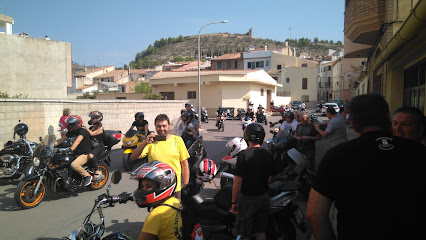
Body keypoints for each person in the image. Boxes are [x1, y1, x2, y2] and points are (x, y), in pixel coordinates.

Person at [306, 93, 426, 240]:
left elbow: (314, 214)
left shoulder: (336, 156)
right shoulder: (419, 152)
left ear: (354, 125)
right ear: (388, 118)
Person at [231, 123, 278, 240]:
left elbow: (237, 182)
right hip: (263, 197)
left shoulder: (243, 155)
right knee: (260, 231)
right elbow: (272, 177)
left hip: (247, 199)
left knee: (245, 233)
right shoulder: (268, 154)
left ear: (247, 137)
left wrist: (234, 202)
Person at [131, 114, 190, 195]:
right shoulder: (150, 142)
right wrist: (145, 142)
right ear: (155, 126)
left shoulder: (178, 140)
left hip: (174, 188)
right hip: (155, 189)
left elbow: (185, 164)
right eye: (159, 126)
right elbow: (133, 156)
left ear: (168, 126)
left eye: (164, 126)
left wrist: (186, 185)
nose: (161, 129)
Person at [133, 161, 183, 240]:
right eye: (142, 186)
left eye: (148, 186)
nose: (143, 190)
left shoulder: (156, 216)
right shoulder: (175, 202)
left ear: (163, 187)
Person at [55, 115, 93, 187]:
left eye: (71, 124)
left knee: (74, 165)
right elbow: (60, 140)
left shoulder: (82, 131)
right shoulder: (71, 132)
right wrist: (49, 144)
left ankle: (87, 176)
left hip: (84, 154)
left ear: (76, 124)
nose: (69, 126)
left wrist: (70, 149)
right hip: (74, 153)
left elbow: (77, 141)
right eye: (69, 124)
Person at [85, 111, 104, 179]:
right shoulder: (92, 127)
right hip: (92, 146)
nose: (91, 120)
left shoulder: (100, 128)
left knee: (91, 155)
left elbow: (92, 134)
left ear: (97, 119)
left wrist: (85, 126)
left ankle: (97, 170)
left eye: (92, 118)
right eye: (91, 118)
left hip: (99, 146)